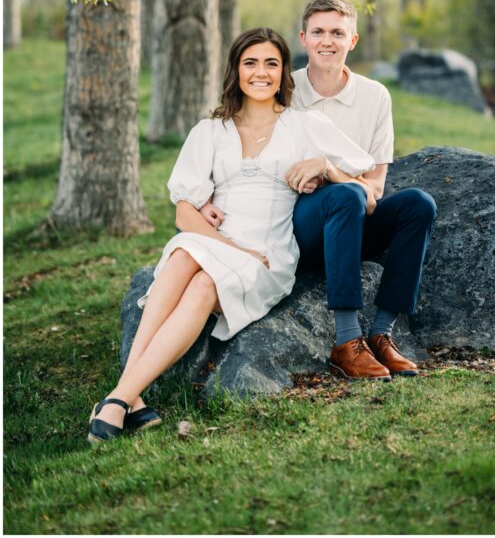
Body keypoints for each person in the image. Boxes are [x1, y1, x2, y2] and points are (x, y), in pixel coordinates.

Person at [87, 28, 375, 443]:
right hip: (217, 241)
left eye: (272, 63)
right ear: (236, 71)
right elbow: (185, 214)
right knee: (187, 255)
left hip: (267, 253)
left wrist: (325, 166)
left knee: (204, 281)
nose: (261, 72)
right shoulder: (210, 131)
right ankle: (124, 399)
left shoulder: (305, 124)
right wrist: (225, 243)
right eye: (251, 63)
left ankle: (121, 397)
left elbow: (365, 193)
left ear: (283, 73)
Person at [202, 0, 436, 381]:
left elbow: (373, 191)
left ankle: (381, 333)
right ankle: (346, 340)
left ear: (353, 40)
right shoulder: (281, 90)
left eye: (337, 33)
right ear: (304, 38)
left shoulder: (375, 96)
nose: (328, 41)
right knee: (345, 195)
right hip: (293, 229)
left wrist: (328, 168)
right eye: (319, 32)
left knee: (418, 204)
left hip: (353, 219)